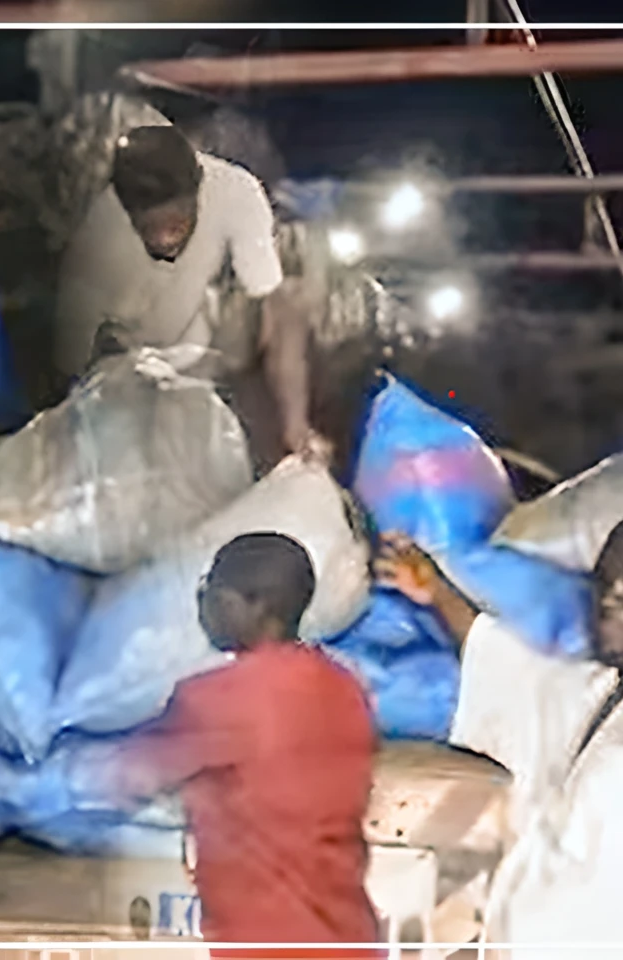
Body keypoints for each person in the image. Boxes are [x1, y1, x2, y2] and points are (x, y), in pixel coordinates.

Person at [107, 533, 382, 958]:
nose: (204, 604)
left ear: (257, 604)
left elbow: (125, 778)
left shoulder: (212, 698)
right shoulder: (345, 686)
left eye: (214, 591)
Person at [374, 525, 623, 958]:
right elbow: (510, 669)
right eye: (605, 584)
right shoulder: (599, 694)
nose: (608, 600)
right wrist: (436, 593)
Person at [55, 125, 327, 463]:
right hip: (137, 360)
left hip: (213, 341)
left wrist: (293, 422)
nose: (165, 240)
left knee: (288, 301)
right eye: (151, 229)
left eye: (175, 224)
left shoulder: (235, 192)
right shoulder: (100, 236)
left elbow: (273, 301)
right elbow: (74, 362)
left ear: (196, 194)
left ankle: (285, 436)